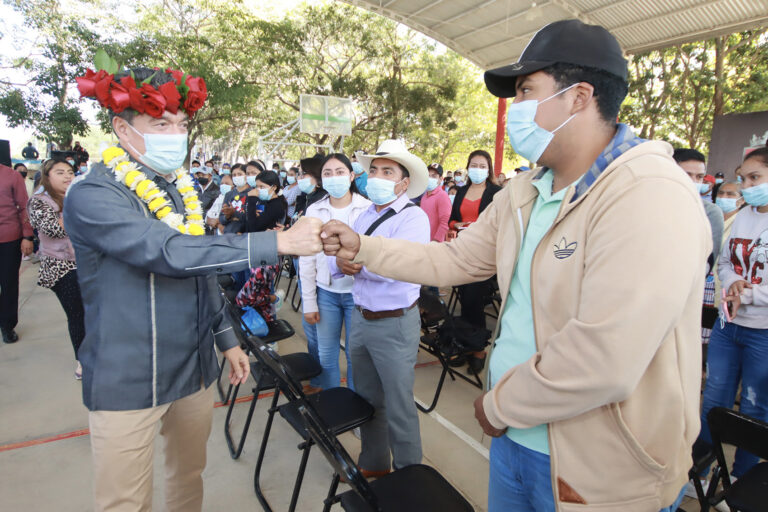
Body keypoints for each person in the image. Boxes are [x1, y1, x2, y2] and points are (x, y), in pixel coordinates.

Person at [321, 19, 709, 512]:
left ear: (579, 96)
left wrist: (501, 404)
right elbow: (457, 257)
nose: (515, 108)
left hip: (599, 468)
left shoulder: (648, 193)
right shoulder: (527, 190)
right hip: (515, 439)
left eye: (527, 90)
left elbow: (605, 355)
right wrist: (364, 246)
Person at [69, 64, 322, 512]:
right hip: (128, 378)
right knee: (124, 501)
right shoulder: (93, 194)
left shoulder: (179, 190)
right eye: (161, 123)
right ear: (122, 128)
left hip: (193, 370)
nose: (176, 133)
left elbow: (201, 271)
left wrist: (226, 340)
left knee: (187, 478)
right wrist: (276, 241)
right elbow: (171, 252)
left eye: (182, 124)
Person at [328, 139, 430, 477]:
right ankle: (373, 464)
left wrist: (356, 260)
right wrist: (343, 264)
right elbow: (340, 258)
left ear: (403, 182)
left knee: (399, 404)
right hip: (361, 319)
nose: (378, 176)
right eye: (374, 170)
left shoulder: (414, 218)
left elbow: (402, 267)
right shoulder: (363, 214)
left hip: (395, 324)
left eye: (388, 171)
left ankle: (408, 477)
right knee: (368, 399)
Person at [693, 146, 768, 492]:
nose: (747, 185)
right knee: (713, 399)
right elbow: (723, 261)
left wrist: (750, 293)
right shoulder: (741, 215)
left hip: (762, 333)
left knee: (753, 407)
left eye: (755, 178)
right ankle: (703, 472)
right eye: (743, 178)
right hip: (727, 324)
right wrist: (734, 281)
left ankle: (739, 479)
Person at [300, 154, 371, 391]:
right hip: (326, 294)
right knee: (326, 354)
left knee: (355, 356)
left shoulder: (367, 209)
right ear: (321, 180)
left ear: (351, 176)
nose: (334, 177)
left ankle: (355, 407)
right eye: (327, 173)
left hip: (357, 294)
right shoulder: (314, 210)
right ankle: (330, 404)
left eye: (340, 172)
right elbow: (307, 259)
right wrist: (309, 302)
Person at [27, 158, 86, 378]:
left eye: (70, 172)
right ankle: (82, 362)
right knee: (77, 313)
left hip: (85, 263)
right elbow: (53, 230)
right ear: (47, 177)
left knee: (92, 312)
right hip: (60, 267)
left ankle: (94, 354)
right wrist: (72, 205)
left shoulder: (76, 197)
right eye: (60, 172)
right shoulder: (39, 202)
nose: (67, 176)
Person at [449, 149, 502, 372]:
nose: (477, 169)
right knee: (463, 299)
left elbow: (499, 223)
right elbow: (453, 219)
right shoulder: (461, 191)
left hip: (484, 255)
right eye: (474, 165)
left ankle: (478, 350)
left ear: (488, 169)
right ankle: (465, 345)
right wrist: (455, 227)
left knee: (474, 302)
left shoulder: (496, 192)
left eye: (482, 166)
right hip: (461, 250)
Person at [673, 148, 724, 273]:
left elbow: (707, 263)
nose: (694, 181)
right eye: (687, 174)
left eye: (699, 177)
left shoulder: (710, 212)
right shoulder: (651, 205)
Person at [0, 160, 34, 343]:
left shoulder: (11, 176)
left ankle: (7, 325)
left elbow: (24, 207)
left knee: (8, 284)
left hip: (8, 239)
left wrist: (27, 236)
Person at [421, 163, 452, 243]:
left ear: (440, 179)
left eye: (434, 176)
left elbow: (445, 223)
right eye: (428, 175)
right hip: (424, 241)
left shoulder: (442, 196)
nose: (430, 178)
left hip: (434, 245)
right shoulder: (424, 196)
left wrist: (436, 241)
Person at [219, 164, 249, 234]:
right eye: (234, 175)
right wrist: (227, 216)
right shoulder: (229, 194)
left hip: (244, 235)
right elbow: (221, 218)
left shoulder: (252, 193)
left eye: (240, 174)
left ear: (246, 175)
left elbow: (250, 217)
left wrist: (234, 214)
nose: (236, 177)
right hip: (229, 234)